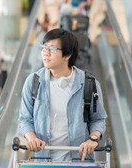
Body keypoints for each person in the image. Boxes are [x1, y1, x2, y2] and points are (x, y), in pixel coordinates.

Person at [18, 28, 107, 161]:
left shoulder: (89, 84)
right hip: (44, 163)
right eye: (44, 47)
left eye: (52, 49)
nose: (45, 53)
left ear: (67, 55)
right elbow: (25, 120)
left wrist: (93, 139)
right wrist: (32, 138)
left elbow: (98, 119)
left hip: (79, 163)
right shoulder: (34, 81)